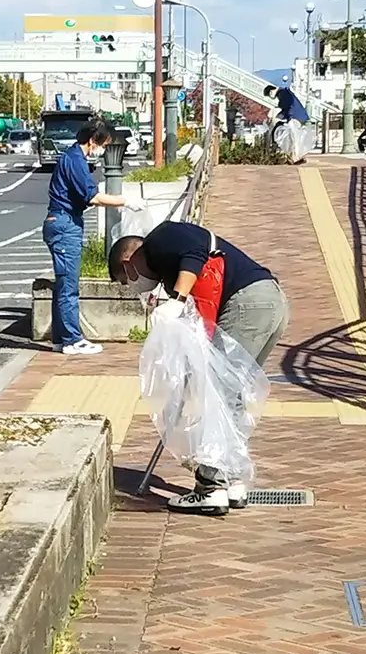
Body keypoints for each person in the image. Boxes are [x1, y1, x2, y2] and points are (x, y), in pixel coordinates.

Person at [109, 220, 289, 516]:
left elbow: (195, 251)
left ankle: (211, 488)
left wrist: (177, 300)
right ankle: (232, 481)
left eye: (124, 280)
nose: (131, 286)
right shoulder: (169, 272)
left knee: (214, 393)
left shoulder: (161, 238)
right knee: (230, 393)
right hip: (269, 302)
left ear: (128, 264)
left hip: (248, 304)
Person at [44, 119, 145, 356]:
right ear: (92, 141)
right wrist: (126, 201)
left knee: (62, 285)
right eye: (103, 145)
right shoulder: (75, 160)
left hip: (61, 222)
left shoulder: (70, 157)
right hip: (64, 225)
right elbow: (93, 197)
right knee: (68, 286)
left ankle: (62, 337)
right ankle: (72, 339)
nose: (102, 151)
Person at [263, 83, 310, 164]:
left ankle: (296, 158)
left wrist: (289, 117)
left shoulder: (282, 93)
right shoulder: (283, 93)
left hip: (295, 116)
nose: (271, 97)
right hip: (298, 116)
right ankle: (296, 157)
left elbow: (288, 105)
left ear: (271, 91)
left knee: (294, 138)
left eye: (269, 94)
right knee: (294, 137)